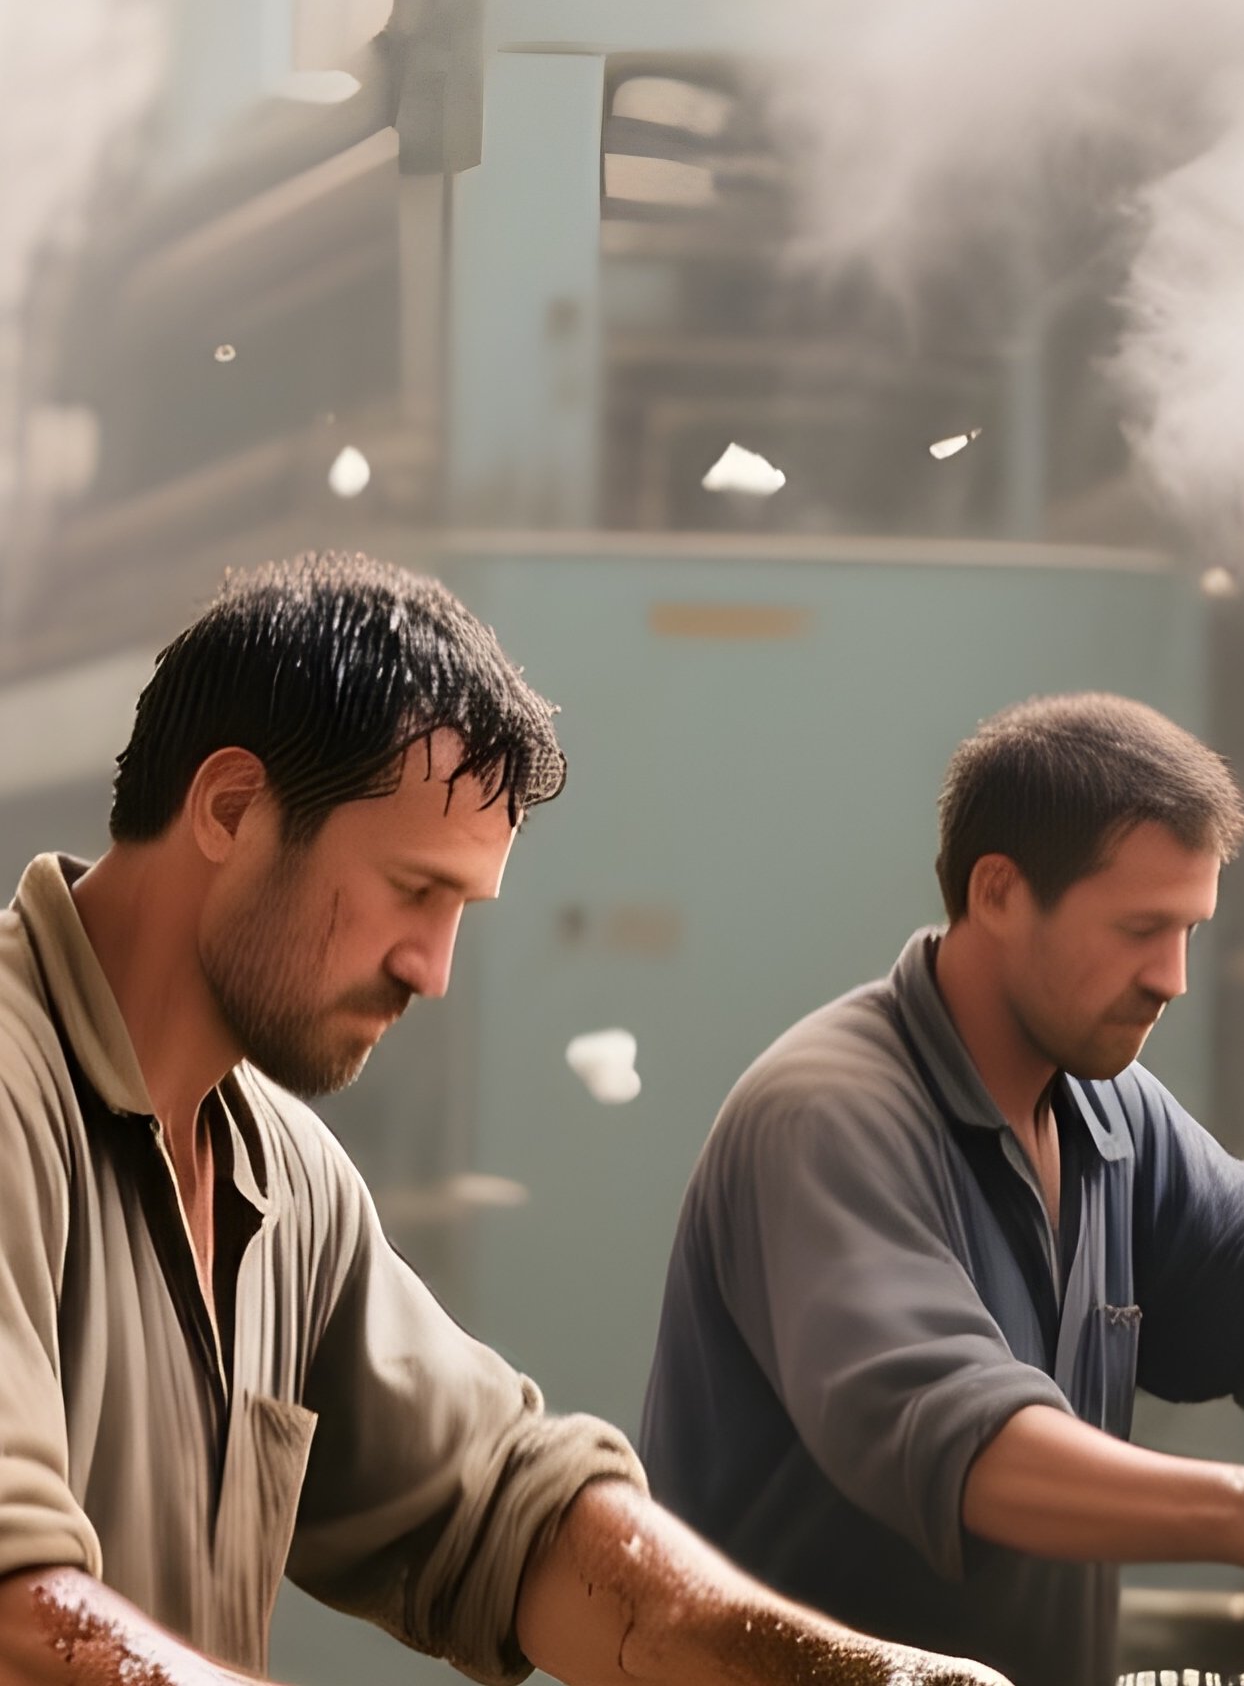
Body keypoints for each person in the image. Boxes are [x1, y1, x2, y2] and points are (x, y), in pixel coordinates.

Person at [0, 553, 1007, 1686]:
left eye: (462, 910)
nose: (432, 970)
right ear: (231, 808)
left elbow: (512, 1521)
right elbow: (22, 1628)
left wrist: (865, 1678)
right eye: (413, 890)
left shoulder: (286, 1181)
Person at [640, 692, 1244, 1686]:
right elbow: (963, 1443)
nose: (1171, 978)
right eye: (1137, 929)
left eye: (1188, 931)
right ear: (997, 892)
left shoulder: (1106, 1109)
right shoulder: (829, 1119)